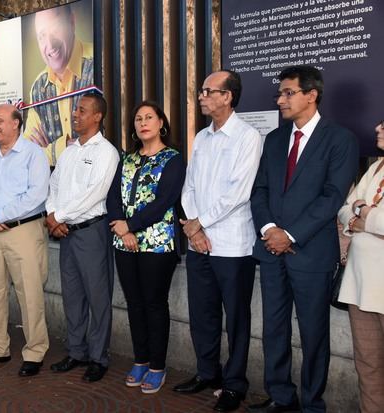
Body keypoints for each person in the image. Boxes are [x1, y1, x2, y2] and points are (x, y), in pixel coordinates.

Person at [249, 65, 359, 413]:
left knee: (313, 335)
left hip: (310, 254)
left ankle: (312, 403)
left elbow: (331, 197)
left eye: (288, 93)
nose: (280, 99)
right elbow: (260, 190)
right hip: (271, 251)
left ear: (311, 95)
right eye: (280, 93)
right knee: (274, 330)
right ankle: (281, 396)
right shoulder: (275, 139)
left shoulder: (340, 139)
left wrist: (290, 235)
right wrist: (269, 231)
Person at [174, 70, 262, 412]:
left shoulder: (247, 137)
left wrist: (199, 224)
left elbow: (237, 194)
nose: (201, 96)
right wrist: (196, 230)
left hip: (233, 245)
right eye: (201, 91)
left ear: (228, 96)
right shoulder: (202, 137)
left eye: (209, 91)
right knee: (202, 314)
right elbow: (189, 187)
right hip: (200, 244)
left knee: (236, 318)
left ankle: (234, 384)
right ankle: (206, 372)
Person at [106, 101, 186, 393]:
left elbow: (165, 201)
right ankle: (140, 360)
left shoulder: (173, 159)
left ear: (161, 123)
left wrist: (132, 226)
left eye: (149, 117)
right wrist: (120, 225)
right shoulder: (126, 159)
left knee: (154, 303)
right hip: (123, 242)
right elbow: (113, 196)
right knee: (134, 303)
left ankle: (157, 366)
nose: (143, 122)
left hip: (157, 243)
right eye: (138, 118)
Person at [0, 103, 51, 377]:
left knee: (30, 293)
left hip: (23, 232)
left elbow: (36, 195)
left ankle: (35, 351)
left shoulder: (33, 154)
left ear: (16, 123)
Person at [46, 92, 119, 382]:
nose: (75, 114)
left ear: (98, 116)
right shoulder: (69, 151)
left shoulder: (107, 152)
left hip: (92, 233)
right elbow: (54, 185)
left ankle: (99, 357)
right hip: (66, 235)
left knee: (98, 298)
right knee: (73, 296)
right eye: (76, 110)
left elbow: (96, 193)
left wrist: (58, 216)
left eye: (82, 110)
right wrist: (52, 216)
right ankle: (77, 352)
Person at [337, 120, 384, 413]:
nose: (378, 127)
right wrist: (360, 214)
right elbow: (344, 209)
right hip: (360, 286)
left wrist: (364, 213)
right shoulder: (376, 166)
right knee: (368, 365)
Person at [24, 4, 94, 165]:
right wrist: (67, 147)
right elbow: (28, 156)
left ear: (72, 22)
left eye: (55, 29)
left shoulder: (99, 64)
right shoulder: (38, 88)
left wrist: (50, 149)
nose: (50, 43)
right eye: (42, 36)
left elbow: (103, 143)